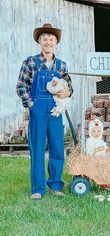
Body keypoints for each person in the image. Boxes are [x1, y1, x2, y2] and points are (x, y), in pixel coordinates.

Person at [16, 23, 73, 200]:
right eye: (44, 39)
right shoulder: (30, 62)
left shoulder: (61, 65)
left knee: (57, 147)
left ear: (56, 42)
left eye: (51, 39)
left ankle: (55, 185)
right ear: (39, 41)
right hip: (38, 111)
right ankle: (37, 189)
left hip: (56, 110)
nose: (48, 42)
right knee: (38, 148)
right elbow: (21, 86)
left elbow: (70, 86)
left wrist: (67, 92)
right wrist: (31, 105)